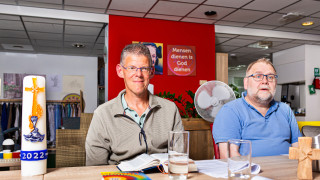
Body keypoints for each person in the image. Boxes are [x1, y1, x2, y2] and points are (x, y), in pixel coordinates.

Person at [85, 43, 183, 166]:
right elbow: (95, 168)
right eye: (132, 68)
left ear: (151, 72)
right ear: (120, 71)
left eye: (144, 68)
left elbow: (179, 158)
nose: (138, 74)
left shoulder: (170, 109)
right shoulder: (103, 114)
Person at [212, 58, 302, 158]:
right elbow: (229, 158)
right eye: (258, 76)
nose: (265, 81)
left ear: (275, 83)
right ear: (246, 83)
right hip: (251, 172)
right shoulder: (230, 111)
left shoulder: (285, 109)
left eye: (270, 77)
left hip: (289, 170)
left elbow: (299, 148)